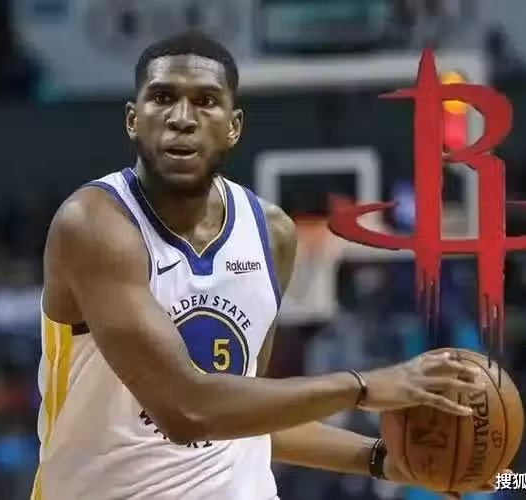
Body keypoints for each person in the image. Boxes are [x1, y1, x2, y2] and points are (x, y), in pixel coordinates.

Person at [31, 30, 499, 500]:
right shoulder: (94, 226)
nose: (182, 118)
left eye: (205, 101)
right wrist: (364, 387)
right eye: (163, 98)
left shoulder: (270, 234)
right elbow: (187, 411)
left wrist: (379, 459)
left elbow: (247, 411)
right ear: (133, 120)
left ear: (233, 126)